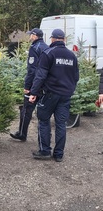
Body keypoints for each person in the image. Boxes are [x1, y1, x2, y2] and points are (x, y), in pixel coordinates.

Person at [29, 29, 79, 162]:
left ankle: (45, 151)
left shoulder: (48, 53)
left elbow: (40, 76)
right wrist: (69, 90)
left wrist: (33, 92)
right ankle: (58, 154)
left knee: (44, 120)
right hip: (65, 95)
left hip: (50, 94)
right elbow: (76, 77)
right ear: (64, 40)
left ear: (52, 39)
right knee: (61, 124)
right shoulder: (72, 56)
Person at [10, 28, 48, 141]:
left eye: (30, 35)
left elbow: (32, 69)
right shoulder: (47, 47)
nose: (29, 37)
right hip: (45, 84)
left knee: (26, 109)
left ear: (35, 36)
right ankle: (43, 139)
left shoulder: (34, 48)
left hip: (34, 84)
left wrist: (27, 87)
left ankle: (22, 133)